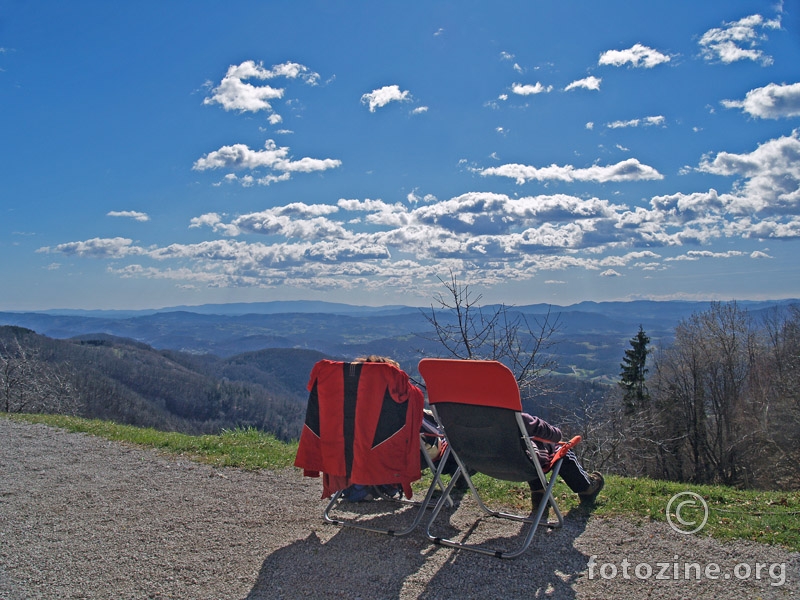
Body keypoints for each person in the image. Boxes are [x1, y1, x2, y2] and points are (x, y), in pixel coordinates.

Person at [521, 412, 604, 512]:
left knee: (523, 449)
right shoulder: (520, 418)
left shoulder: (496, 420)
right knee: (560, 450)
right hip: (530, 462)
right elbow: (556, 436)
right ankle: (586, 488)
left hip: (499, 466)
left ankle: (539, 492)